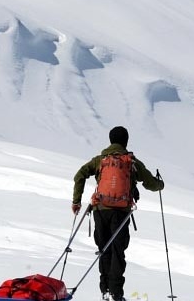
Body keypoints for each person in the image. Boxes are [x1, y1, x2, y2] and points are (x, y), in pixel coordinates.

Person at [72, 126, 164, 301]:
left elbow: (80, 175)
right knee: (117, 251)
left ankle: (105, 290)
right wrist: (160, 184)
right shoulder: (131, 162)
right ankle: (116, 293)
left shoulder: (100, 160)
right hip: (121, 213)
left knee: (103, 250)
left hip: (100, 210)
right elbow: (150, 183)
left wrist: (76, 201)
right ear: (126, 141)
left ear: (110, 140)